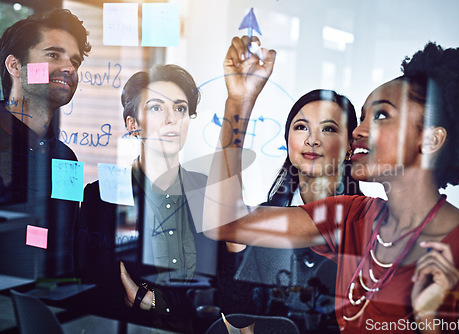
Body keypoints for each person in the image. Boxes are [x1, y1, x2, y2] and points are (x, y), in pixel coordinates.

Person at [203, 36, 459, 333]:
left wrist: (430, 322)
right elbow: (225, 222)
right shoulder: (351, 217)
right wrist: (239, 102)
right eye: (364, 116)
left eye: (381, 115)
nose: (358, 131)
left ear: (430, 139)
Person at [77, 64, 219, 333]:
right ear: (133, 125)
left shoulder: (208, 192)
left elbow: (218, 289)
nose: (172, 119)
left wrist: (154, 301)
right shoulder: (104, 194)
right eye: (156, 108)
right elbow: (100, 289)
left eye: (180, 108)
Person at [218, 88, 361, 328]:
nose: (312, 140)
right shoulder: (260, 219)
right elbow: (236, 308)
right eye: (301, 127)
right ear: (287, 140)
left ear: (349, 146)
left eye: (328, 129)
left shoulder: (370, 221)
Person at [0, 9, 91, 276]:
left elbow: (62, 239)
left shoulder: (66, 158)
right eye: (53, 54)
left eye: (74, 61)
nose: (69, 68)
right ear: (15, 66)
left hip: (49, 300)